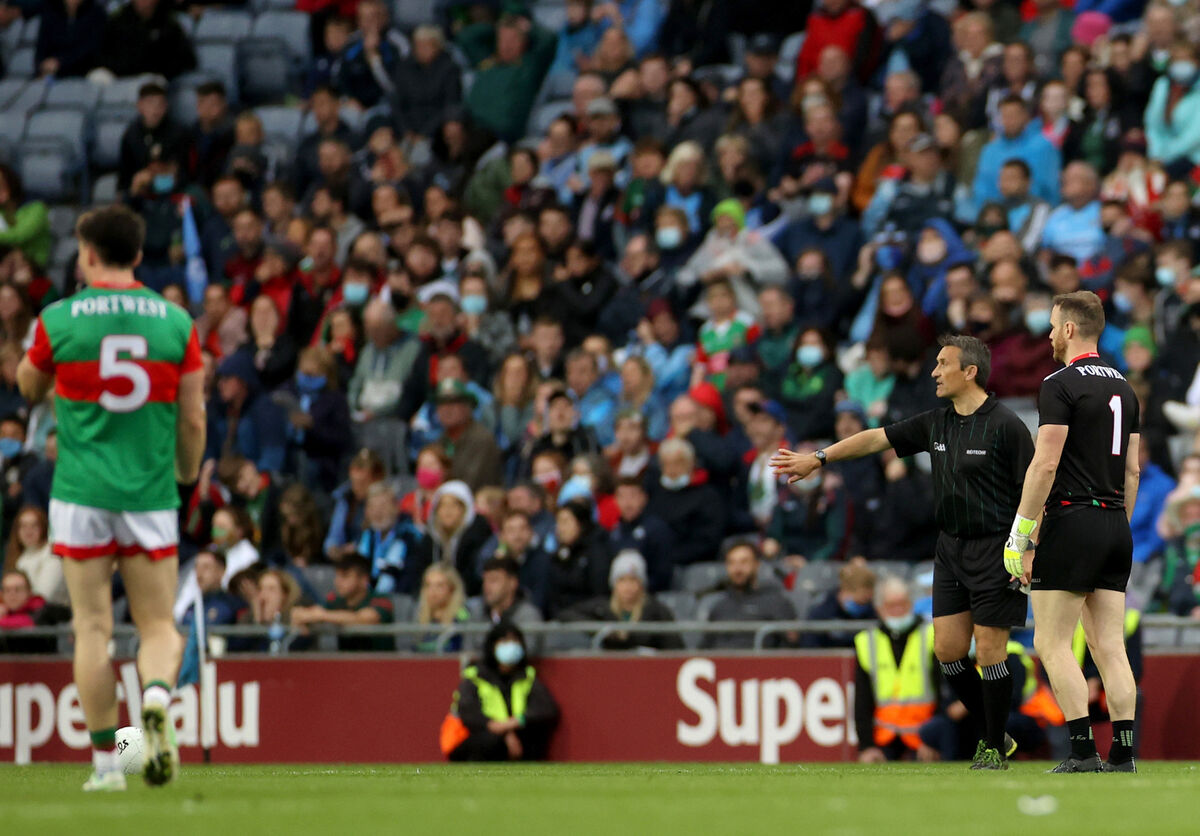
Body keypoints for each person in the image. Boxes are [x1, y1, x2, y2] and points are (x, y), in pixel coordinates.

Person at [773, 334, 1033, 769]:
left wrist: (1027, 547)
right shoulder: (937, 421)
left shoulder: (1006, 426)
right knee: (948, 653)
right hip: (949, 549)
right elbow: (876, 438)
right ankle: (994, 728)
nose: (934, 371)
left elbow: (1035, 490)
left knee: (990, 650)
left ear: (969, 372)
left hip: (996, 547)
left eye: (943, 363)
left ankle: (991, 743)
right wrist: (819, 458)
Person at [16, 205, 206, 791]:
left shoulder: (60, 319)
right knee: (155, 627)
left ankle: (111, 767)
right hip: (149, 493)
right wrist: (185, 478)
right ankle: (152, 702)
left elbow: (27, 384)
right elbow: (194, 419)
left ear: (89, 254)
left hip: (81, 493)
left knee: (93, 630)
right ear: (140, 255)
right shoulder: (176, 323)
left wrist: (48, 375)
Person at [1004, 290, 1142, 773]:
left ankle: (1082, 751)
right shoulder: (1125, 387)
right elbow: (1133, 472)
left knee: (1051, 642)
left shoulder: (1059, 384)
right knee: (1110, 645)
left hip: (1072, 517)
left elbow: (1045, 464)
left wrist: (1020, 534)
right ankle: (1123, 752)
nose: (1047, 334)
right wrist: (1116, 529)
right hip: (1114, 521)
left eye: (1051, 324)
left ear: (1068, 329)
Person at [442, 621, 560, 761]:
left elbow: (547, 708)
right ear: (493, 646)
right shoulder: (475, 676)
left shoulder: (526, 676)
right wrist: (499, 729)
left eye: (515, 640)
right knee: (491, 741)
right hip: (474, 735)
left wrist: (515, 723)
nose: (511, 646)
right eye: (504, 640)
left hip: (512, 732)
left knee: (532, 739)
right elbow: (468, 712)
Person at [854, 577, 938, 763]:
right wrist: (866, 746)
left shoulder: (931, 636)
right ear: (880, 608)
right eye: (892, 605)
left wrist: (935, 739)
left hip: (924, 737)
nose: (898, 611)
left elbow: (942, 691)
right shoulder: (867, 642)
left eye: (903, 604)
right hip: (884, 738)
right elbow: (862, 701)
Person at [559, 549, 683, 650]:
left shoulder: (657, 611)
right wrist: (603, 630)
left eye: (633, 580)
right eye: (622, 580)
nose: (627, 587)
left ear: (641, 584)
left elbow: (675, 649)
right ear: (614, 584)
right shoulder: (602, 608)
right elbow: (566, 615)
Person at [701, 538, 796, 650]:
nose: (737, 569)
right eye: (732, 563)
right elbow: (705, 648)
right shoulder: (719, 607)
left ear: (757, 564)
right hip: (722, 664)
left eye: (744, 562)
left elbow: (791, 647)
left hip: (761, 664)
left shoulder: (777, 602)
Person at [290, 553, 396, 652]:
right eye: (337, 576)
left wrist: (322, 615)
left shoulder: (381, 600)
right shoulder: (335, 600)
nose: (338, 581)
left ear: (364, 579)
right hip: (347, 665)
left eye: (345, 576)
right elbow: (308, 614)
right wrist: (305, 617)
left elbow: (365, 619)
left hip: (381, 665)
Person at [4, 505, 66, 606]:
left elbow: (43, 597)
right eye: (23, 526)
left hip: (51, 618)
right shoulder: (21, 555)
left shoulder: (52, 554)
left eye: (34, 525)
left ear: (44, 528)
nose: (28, 530)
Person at [414, 563, 470, 653]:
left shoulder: (462, 614)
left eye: (439, 585)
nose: (433, 591)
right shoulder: (418, 616)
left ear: (452, 589)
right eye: (428, 585)